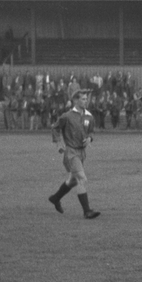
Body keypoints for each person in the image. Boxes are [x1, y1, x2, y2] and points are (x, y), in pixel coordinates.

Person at [47, 90, 100, 219]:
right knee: (82, 178)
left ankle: (55, 198)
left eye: (86, 99)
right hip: (71, 152)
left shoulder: (89, 116)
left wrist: (89, 139)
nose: (86, 101)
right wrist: (59, 143)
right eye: (83, 99)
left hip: (82, 153)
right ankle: (87, 211)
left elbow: (91, 131)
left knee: (72, 181)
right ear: (76, 101)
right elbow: (55, 127)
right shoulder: (68, 116)